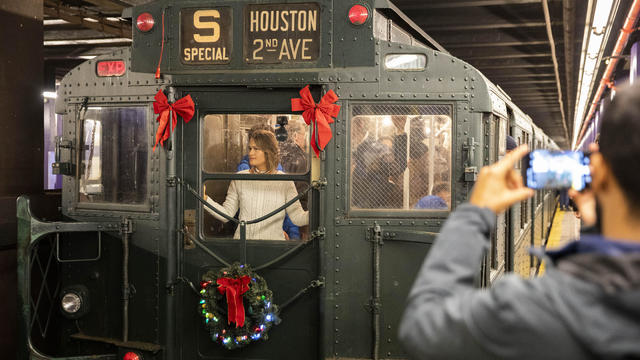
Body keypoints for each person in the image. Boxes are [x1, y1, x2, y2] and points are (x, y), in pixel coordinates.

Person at [398, 82, 640, 359]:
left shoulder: (543, 309)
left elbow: (423, 327)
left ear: (599, 172)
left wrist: (476, 211)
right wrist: (595, 224)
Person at [204, 130, 308, 240]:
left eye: (256, 149)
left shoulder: (285, 181)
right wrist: (205, 199)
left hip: (274, 249)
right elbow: (226, 214)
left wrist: (323, 211)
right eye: (250, 148)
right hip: (243, 247)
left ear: (268, 151)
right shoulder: (239, 178)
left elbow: (298, 218)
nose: (250, 153)